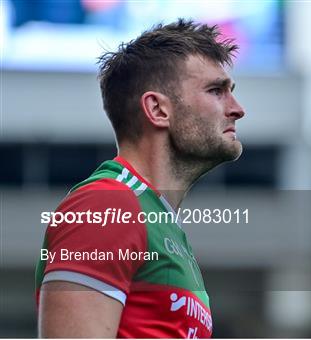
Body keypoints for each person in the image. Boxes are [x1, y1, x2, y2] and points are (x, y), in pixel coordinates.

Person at [36, 19, 245, 338]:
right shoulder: (106, 206)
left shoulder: (162, 222)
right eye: (216, 90)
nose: (237, 109)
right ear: (158, 109)